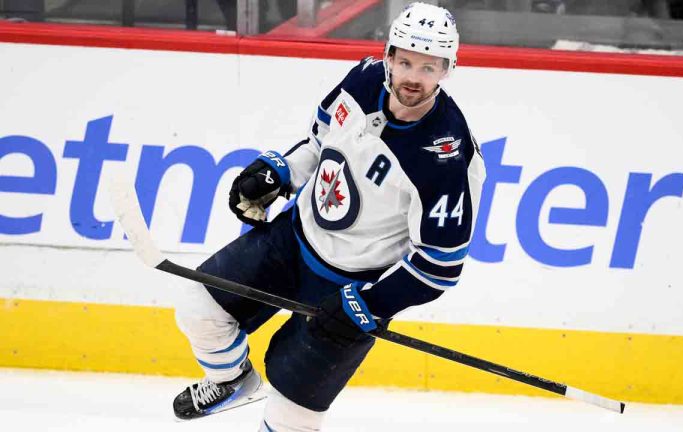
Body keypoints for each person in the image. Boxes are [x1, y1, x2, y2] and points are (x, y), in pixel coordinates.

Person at [172, 2, 486, 430]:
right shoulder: (361, 80)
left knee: (290, 419)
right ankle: (231, 381)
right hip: (292, 240)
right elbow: (318, 144)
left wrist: (370, 304)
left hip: (351, 286)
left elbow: (439, 267)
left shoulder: (448, 157)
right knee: (197, 305)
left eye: (429, 68)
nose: (414, 77)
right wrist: (279, 172)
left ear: (448, 69)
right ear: (389, 55)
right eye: (407, 61)